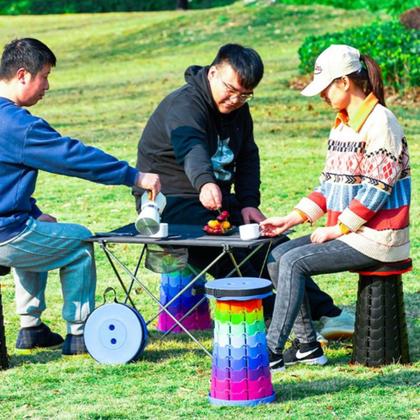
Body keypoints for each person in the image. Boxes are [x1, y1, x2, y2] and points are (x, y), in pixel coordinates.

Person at [134, 43, 353, 334]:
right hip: (167, 203)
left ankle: (327, 312)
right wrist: (205, 181)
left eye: (245, 94)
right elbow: (191, 147)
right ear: (213, 73)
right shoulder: (184, 105)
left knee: (271, 240)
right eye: (231, 89)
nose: (237, 99)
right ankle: (283, 316)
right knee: (232, 251)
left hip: (216, 201)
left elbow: (248, 155)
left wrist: (249, 202)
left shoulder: (239, 110)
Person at [0, 38, 160, 355]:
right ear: (22, 75)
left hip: (10, 227)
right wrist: (134, 175)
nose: (48, 85)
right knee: (79, 243)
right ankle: (80, 333)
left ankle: (31, 328)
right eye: (44, 75)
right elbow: (73, 157)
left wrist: (32, 212)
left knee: (43, 231)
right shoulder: (18, 125)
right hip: (6, 234)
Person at [260, 44, 411, 371]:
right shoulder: (342, 124)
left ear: (344, 82)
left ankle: (270, 351)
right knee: (276, 256)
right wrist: (292, 218)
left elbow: (376, 189)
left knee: (294, 262)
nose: (321, 96)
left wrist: (337, 228)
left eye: (325, 88)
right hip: (351, 232)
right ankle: (306, 347)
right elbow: (329, 185)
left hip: (378, 238)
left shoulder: (381, 122)